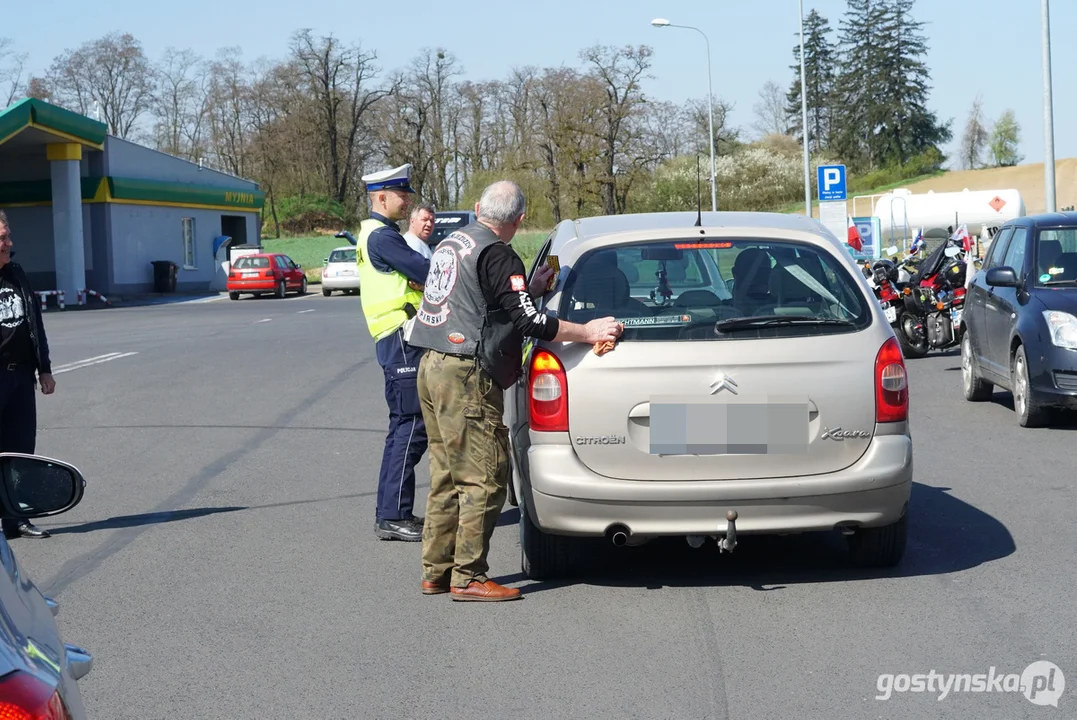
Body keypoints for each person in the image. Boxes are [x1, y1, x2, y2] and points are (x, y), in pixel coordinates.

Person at [408, 180, 622, 602]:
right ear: (520, 219)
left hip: (431, 365)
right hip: (465, 372)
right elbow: (533, 325)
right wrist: (588, 330)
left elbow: (483, 299)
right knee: (485, 478)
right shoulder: (499, 253)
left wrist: (530, 288)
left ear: (476, 208)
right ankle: (468, 577)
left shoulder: (455, 242)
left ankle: (436, 571)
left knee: (447, 475)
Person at [354, 164, 431, 542]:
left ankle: (391, 512)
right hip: (401, 339)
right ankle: (393, 516)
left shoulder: (374, 234)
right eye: (402, 195)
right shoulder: (384, 237)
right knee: (412, 427)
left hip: (394, 338)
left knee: (402, 428)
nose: (407, 201)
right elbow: (428, 271)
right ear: (381, 197)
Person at [0, 211, 56, 539]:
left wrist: (44, 368)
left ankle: (15, 519)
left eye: (8, 236)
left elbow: (35, 324)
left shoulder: (18, 274)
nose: (9, 243)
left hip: (20, 378)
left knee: (21, 450)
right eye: (3, 238)